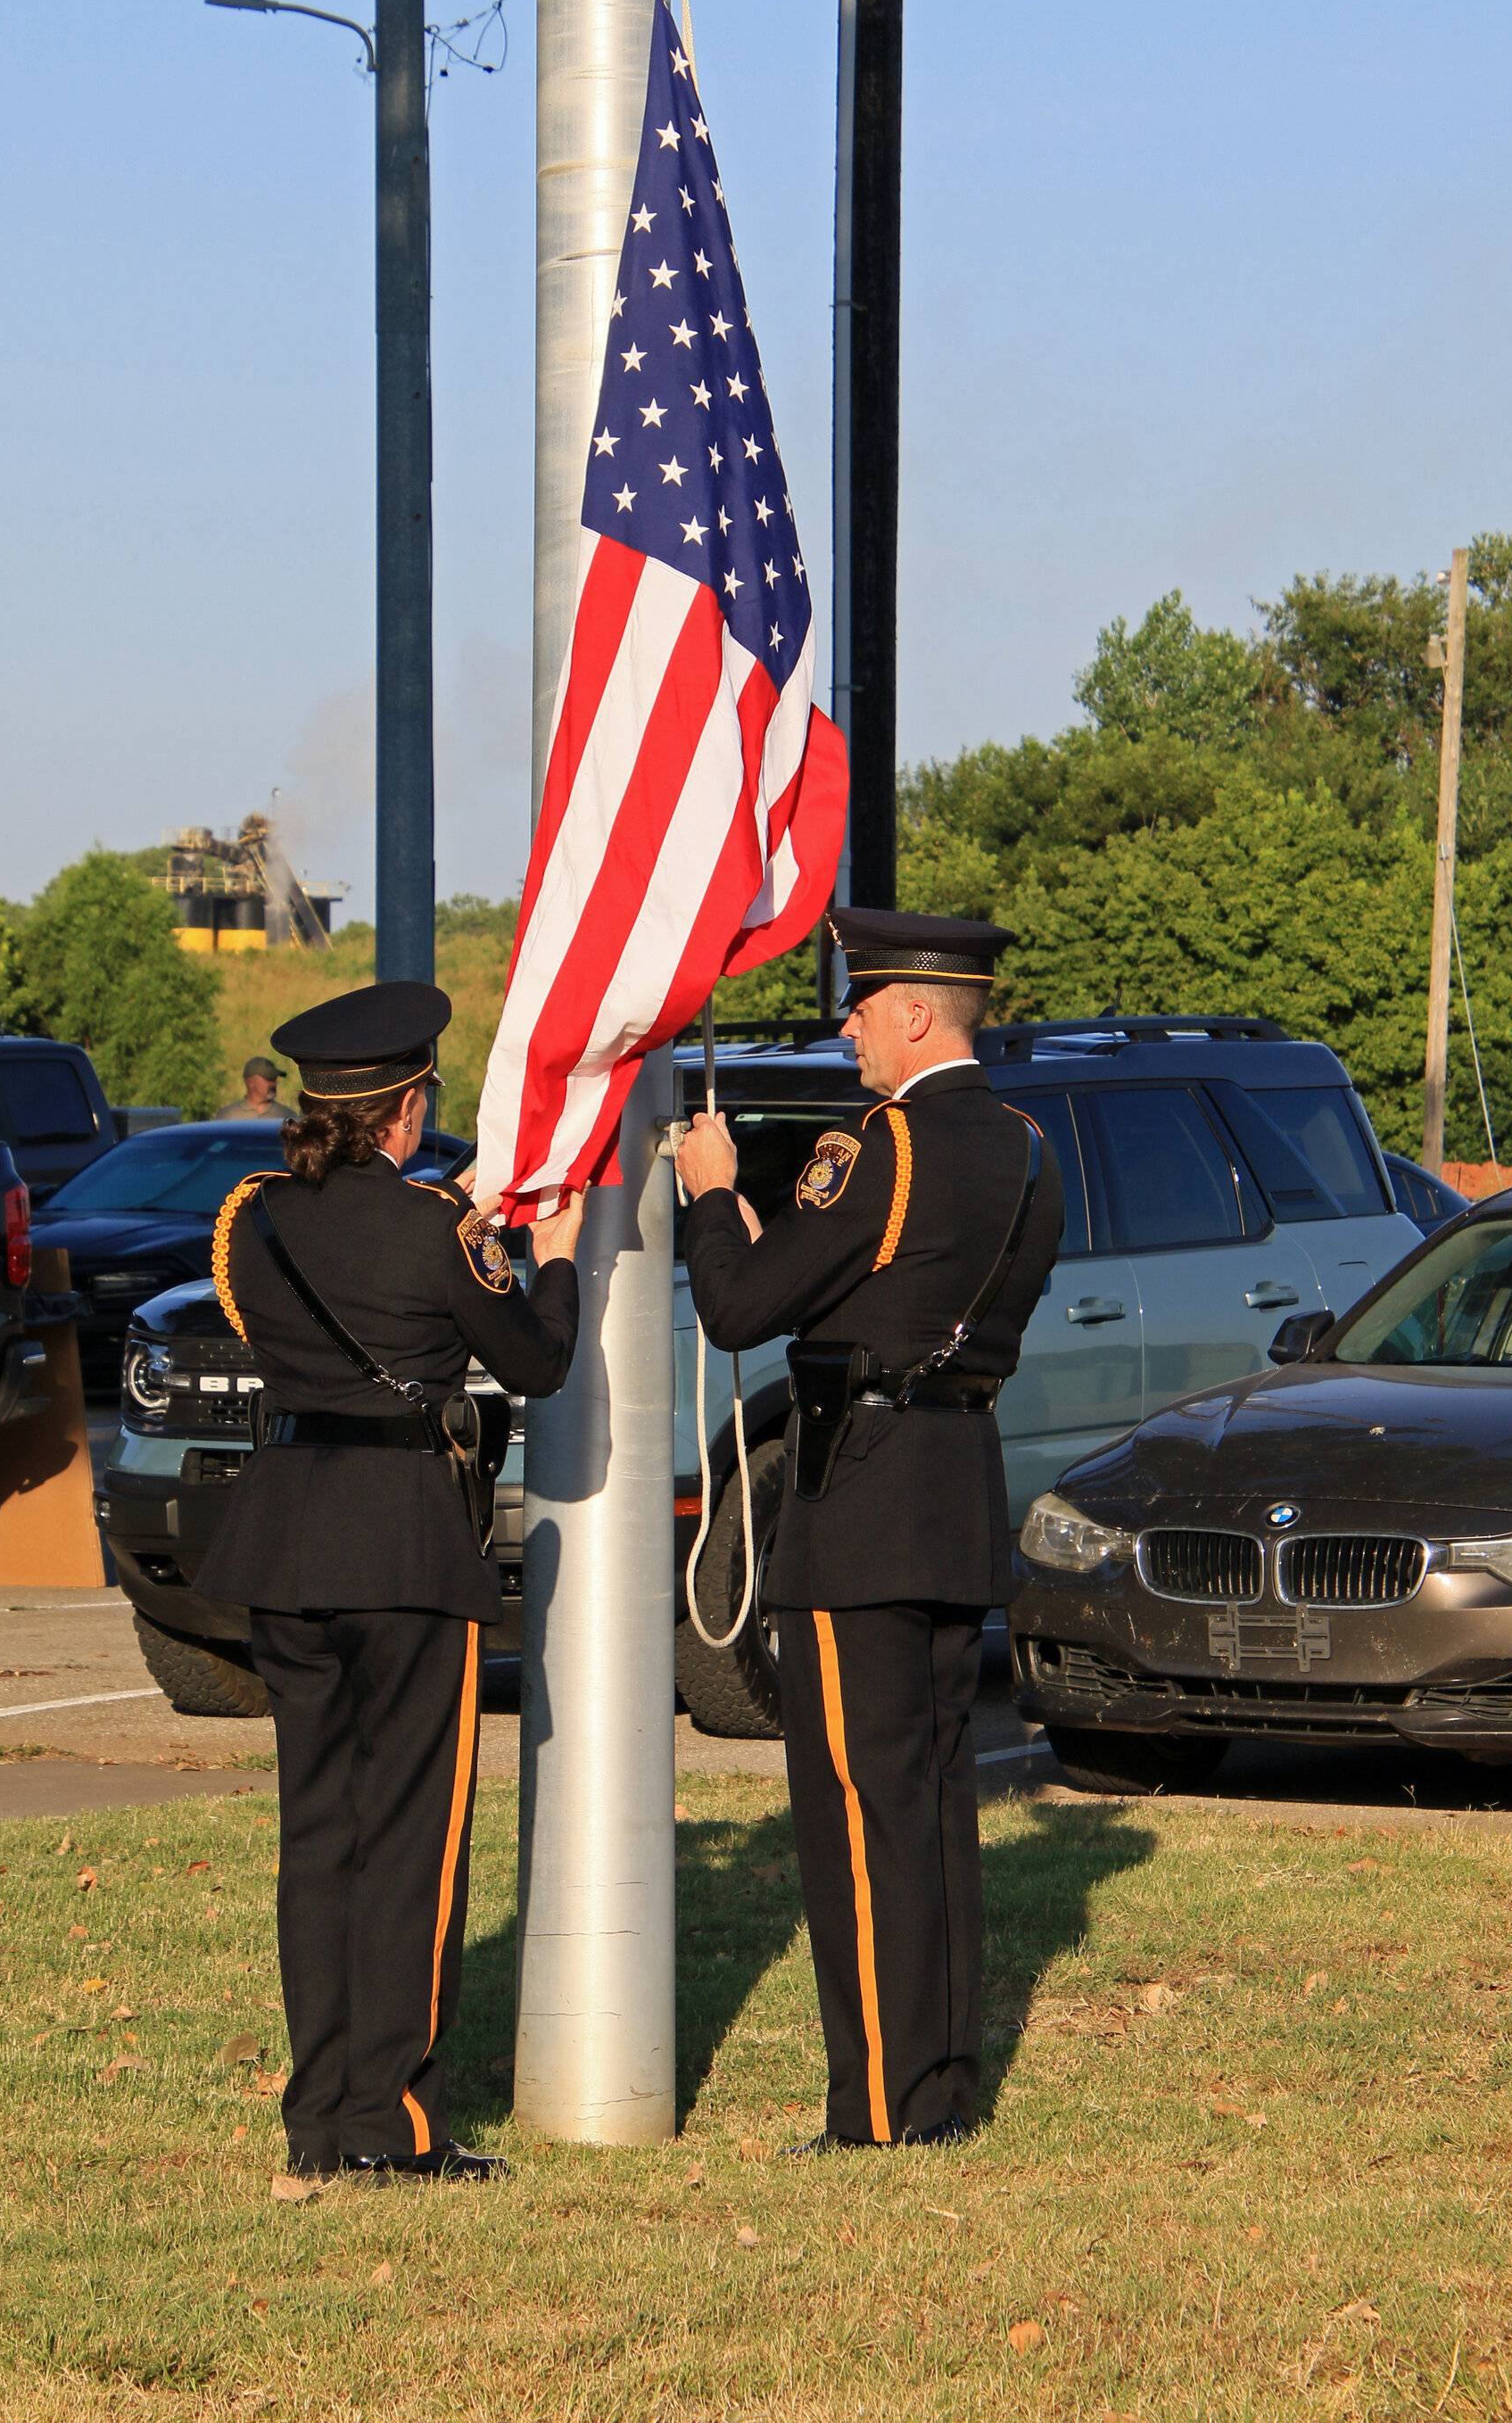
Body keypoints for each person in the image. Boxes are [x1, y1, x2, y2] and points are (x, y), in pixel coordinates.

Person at [676, 911, 1063, 2152]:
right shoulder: (1026, 1147)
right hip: (956, 1486)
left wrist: (714, 1196)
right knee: (935, 1811)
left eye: (860, 1006)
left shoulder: (879, 1148)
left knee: (859, 1809)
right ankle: (939, 2087)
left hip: (863, 1501)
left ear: (913, 1014)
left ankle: (885, 2111)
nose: (846, 1026)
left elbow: (741, 1307)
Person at [194, 980, 584, 2187]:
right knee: (414, 1842)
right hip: (407, 1544)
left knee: (320, 1839)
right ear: (406, 1112)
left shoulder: (250, 1217)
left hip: (292, 1539)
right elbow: (538, 1358)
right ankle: (396, 2127)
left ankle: (319, 2120)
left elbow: (265, 1333)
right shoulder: (436, 1229)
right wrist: (553, 1258)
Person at [216, 1055, 296, 1123]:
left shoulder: (289, 1117)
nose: (273, 1084)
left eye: (274, 1079)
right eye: (269, 1078)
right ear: (250, 1082)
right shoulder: (227, 1116)